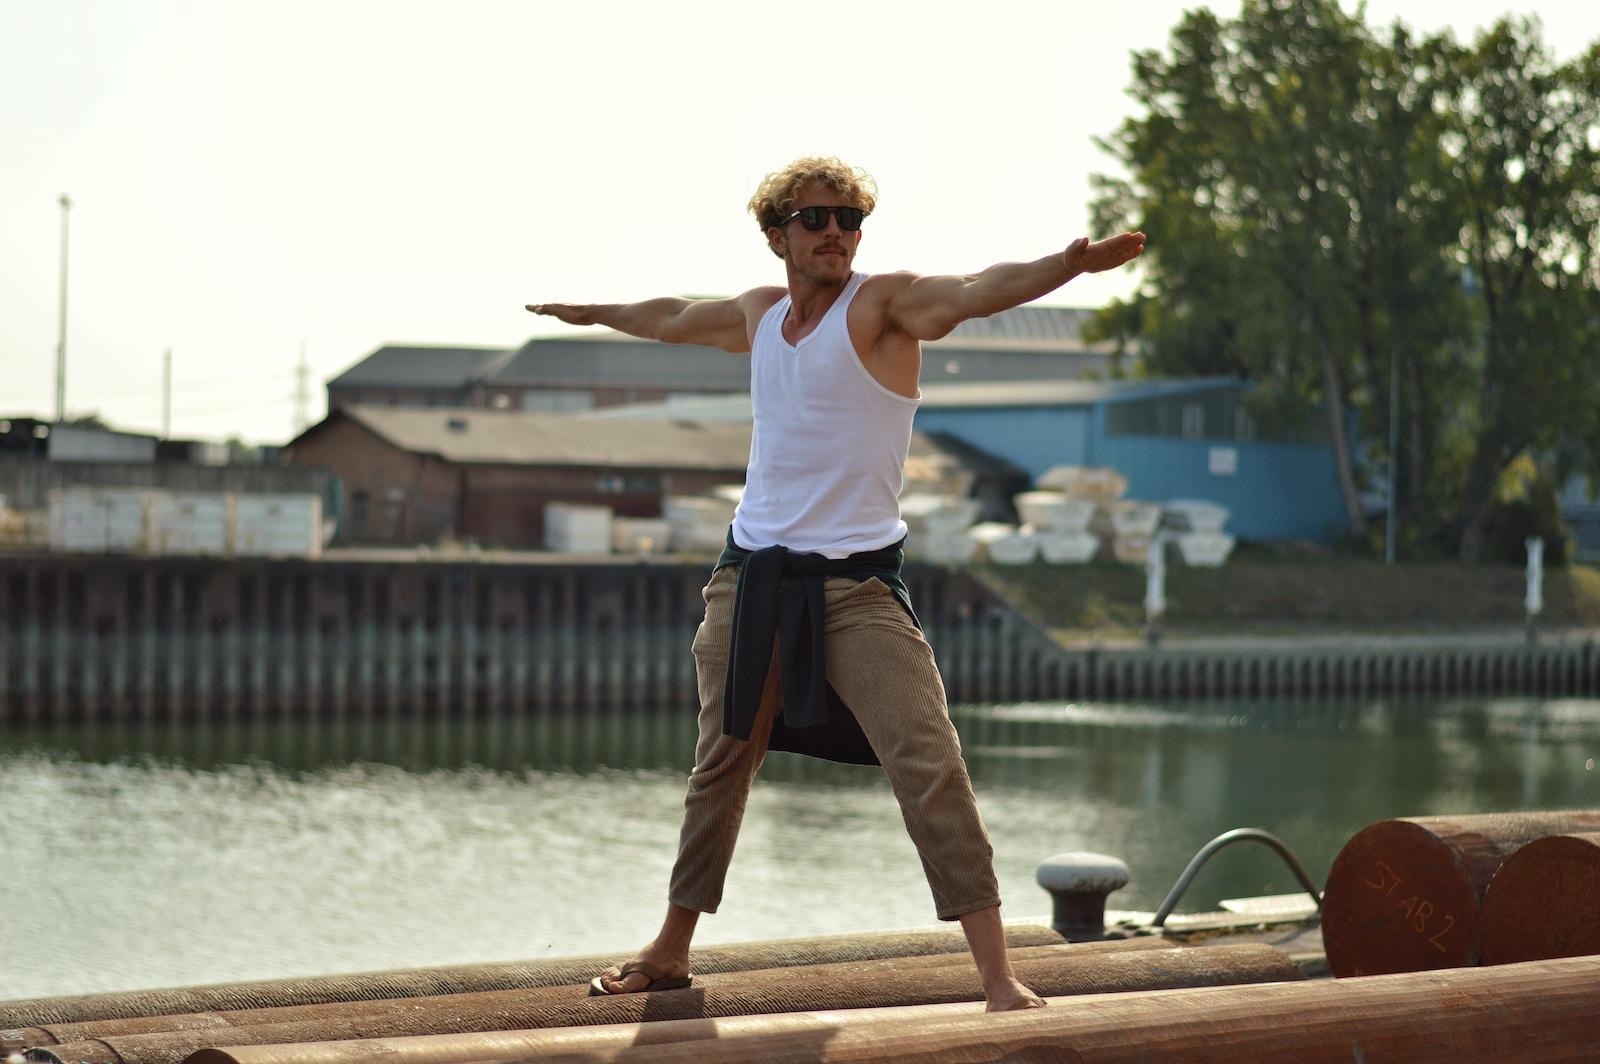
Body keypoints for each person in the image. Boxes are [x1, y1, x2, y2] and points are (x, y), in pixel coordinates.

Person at [527, 156, 1144, 1012]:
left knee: (930, 764)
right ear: (778, 233)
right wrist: (595, 313)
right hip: (749, 580)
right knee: (721, 763)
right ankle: (670, 951)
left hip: (857, 589)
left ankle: (999, 979)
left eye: (851, 220)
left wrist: (1065, 268)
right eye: (817, 219)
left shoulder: (884, 306)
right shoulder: (761, 312)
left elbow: (971, 291)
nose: (837, 235)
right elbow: (672, 317)